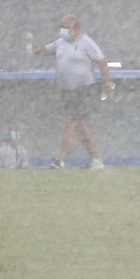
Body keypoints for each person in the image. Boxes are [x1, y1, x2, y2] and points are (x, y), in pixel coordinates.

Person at [32, 14, 113, 170]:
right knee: (81, 125)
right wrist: (32, 47)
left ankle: (60, 160)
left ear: (75, 29)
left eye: (65, 28)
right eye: (60, 27)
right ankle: (95, 160)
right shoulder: (60, 43)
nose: (62, 31)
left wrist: (106, 82)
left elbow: (102, 62)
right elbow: (45, 50)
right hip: (67, 90)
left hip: (83, 89)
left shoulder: (86, 43)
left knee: (70, 123)